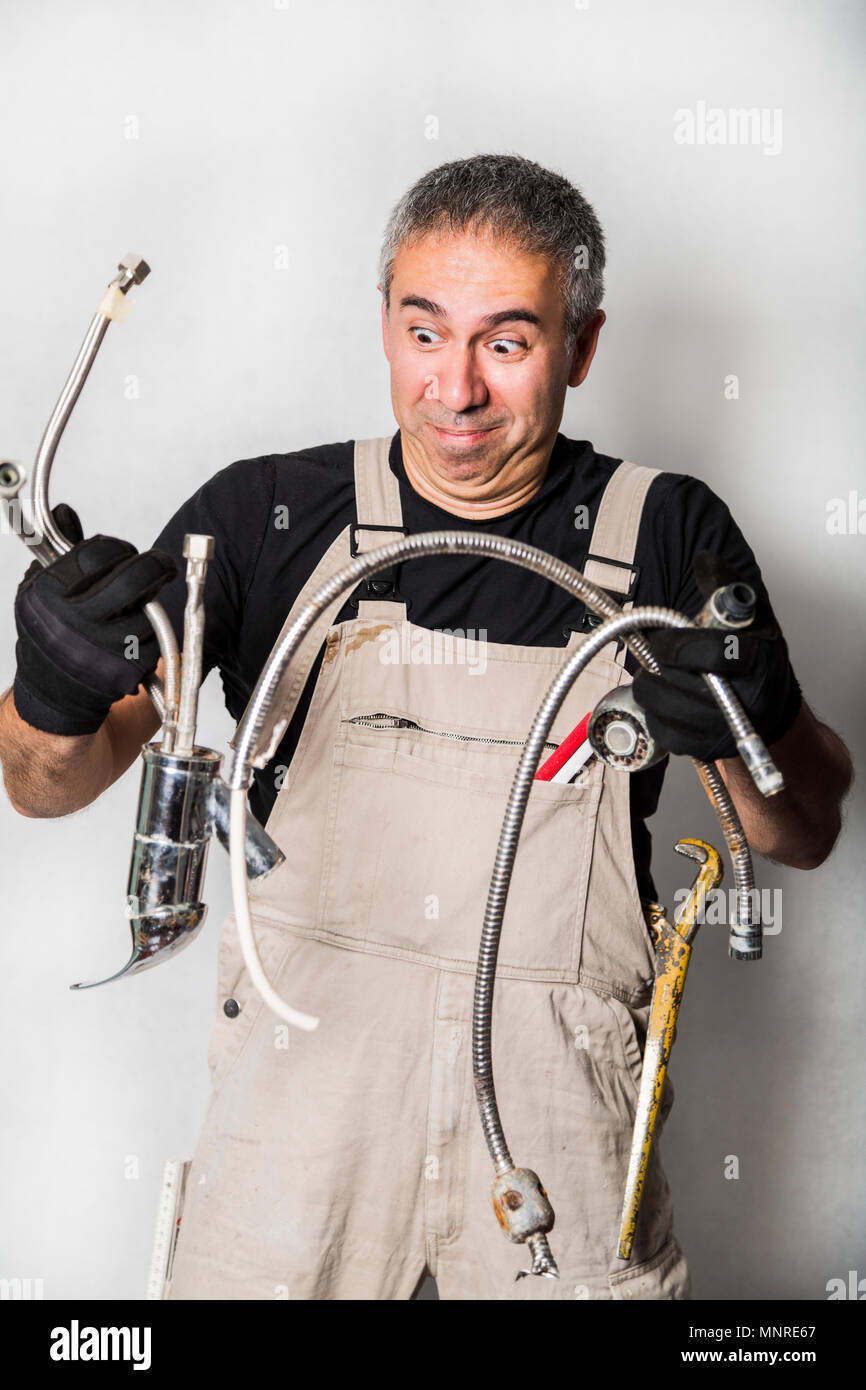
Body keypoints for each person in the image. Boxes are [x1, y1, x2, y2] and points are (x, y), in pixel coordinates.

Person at [0, 154, 852, 1301]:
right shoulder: (266, 517)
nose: (454, 391)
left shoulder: (665, 538)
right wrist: (53, 695)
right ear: (383, 326)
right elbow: (44, 782)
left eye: (506, 342)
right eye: (423, 333)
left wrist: (753, 717)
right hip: (300, 1122)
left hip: (560, 1128)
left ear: (581, 347)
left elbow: (802, 826)